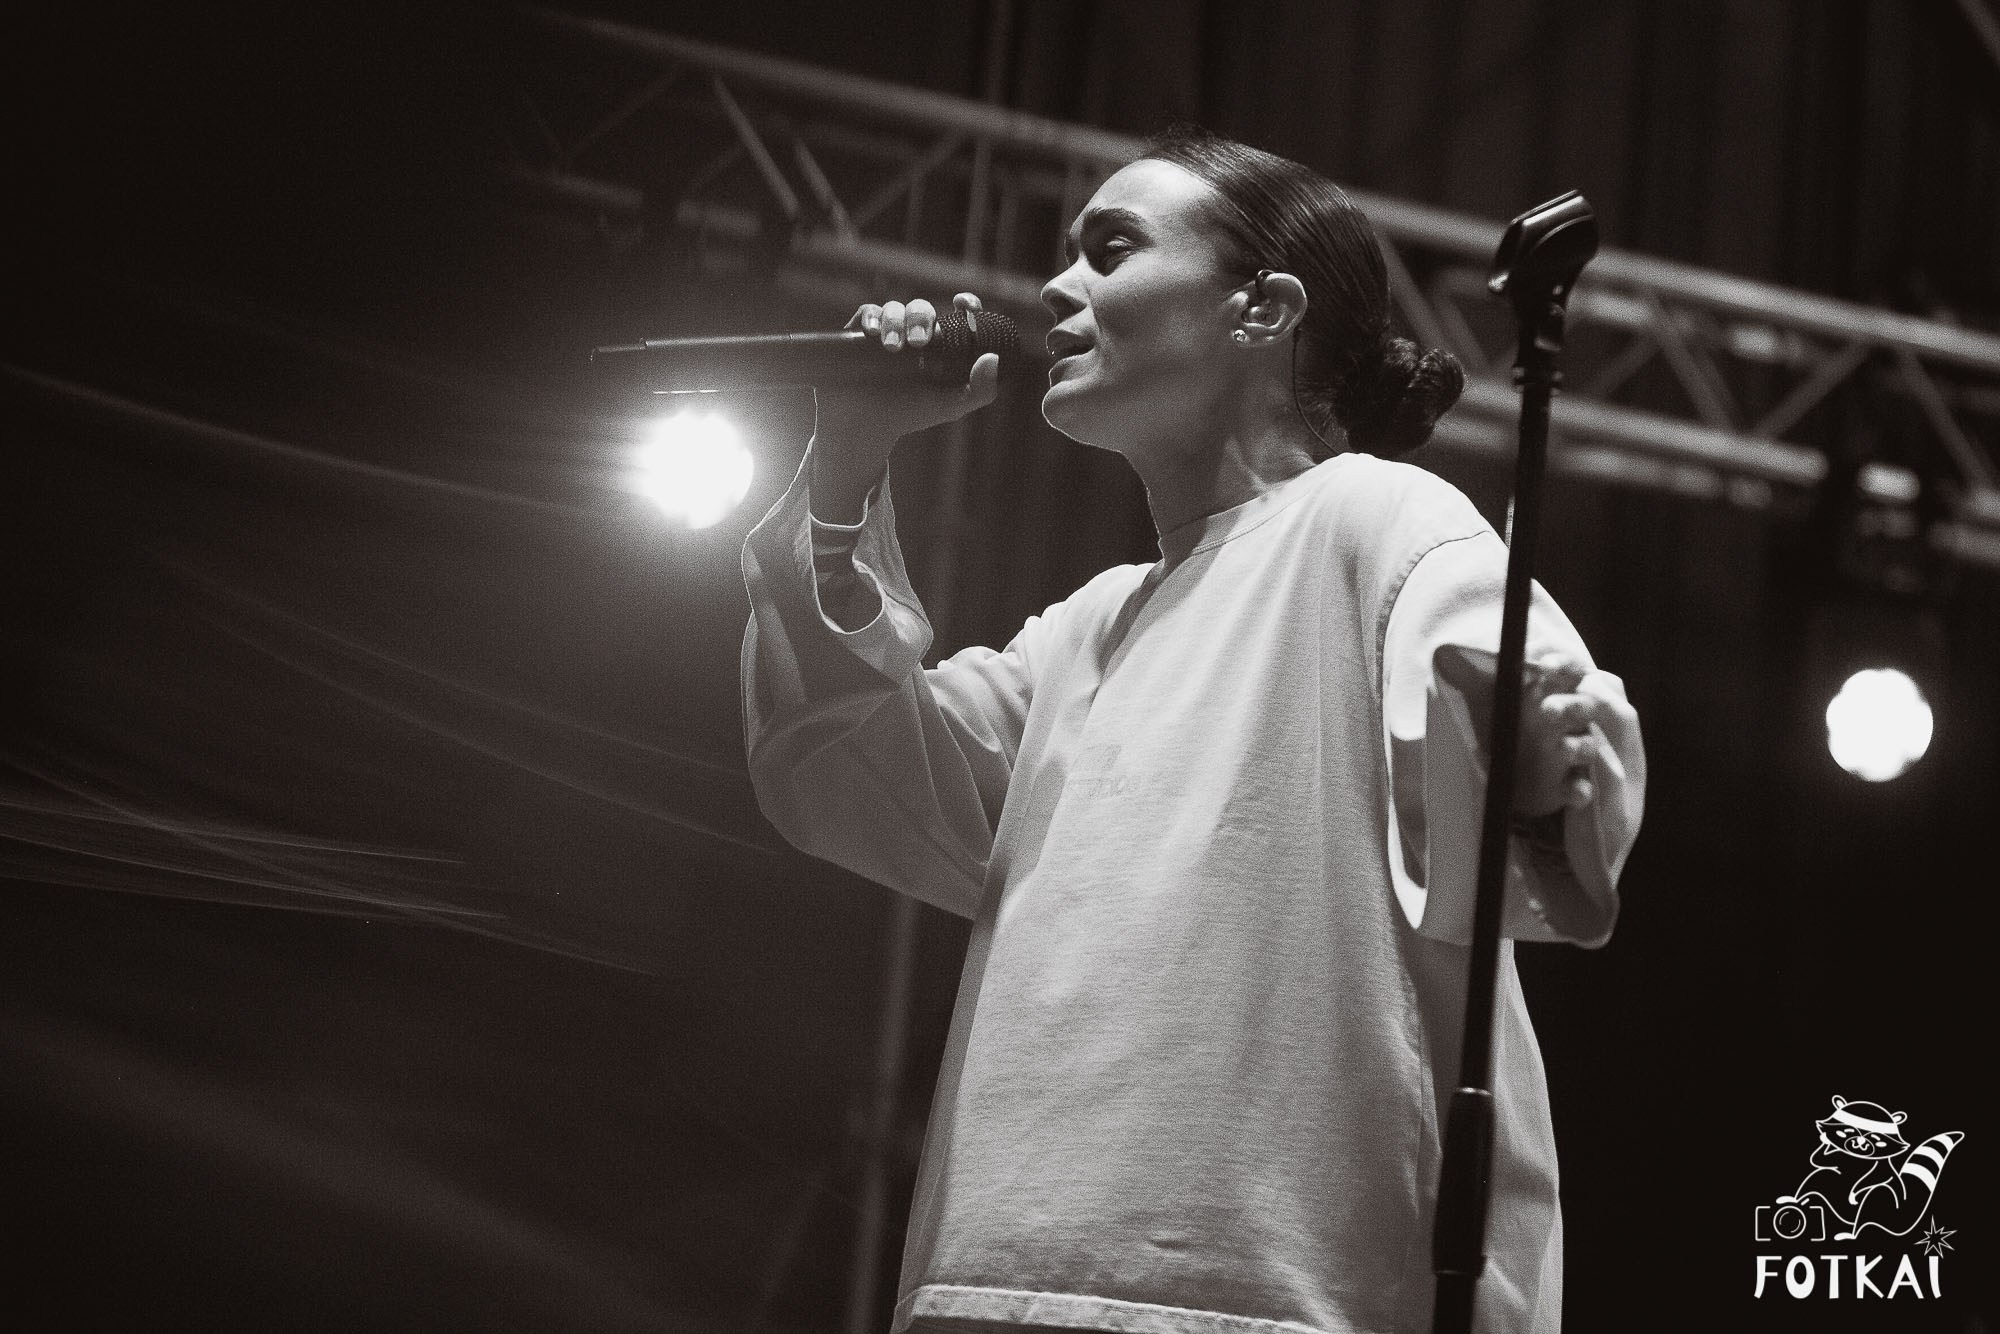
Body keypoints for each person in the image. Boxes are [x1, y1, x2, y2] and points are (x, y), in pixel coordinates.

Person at [739, 125, 1644, 1334]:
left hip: (1275, 1290)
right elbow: (839, 772)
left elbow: (1524, 783)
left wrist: (1544, 762)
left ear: (1260, 309)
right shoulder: (1086, 630)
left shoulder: (1369, 518)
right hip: (1000, 1280)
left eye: (1110, 250)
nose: (1057, 287)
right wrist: (844, 470)